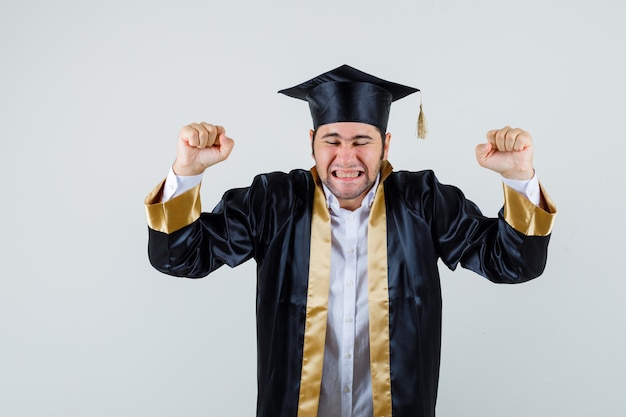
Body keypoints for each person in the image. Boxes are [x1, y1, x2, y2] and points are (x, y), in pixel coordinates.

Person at [144, 65, 556, 417]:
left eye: (361, 142)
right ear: (311, 143)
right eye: (332, 141)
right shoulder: (273, 202)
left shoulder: (423, 201)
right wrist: (188, 171)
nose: (346, 158)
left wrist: (518, 177)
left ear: (386, 145)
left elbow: (513, 263)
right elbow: (180, 257)